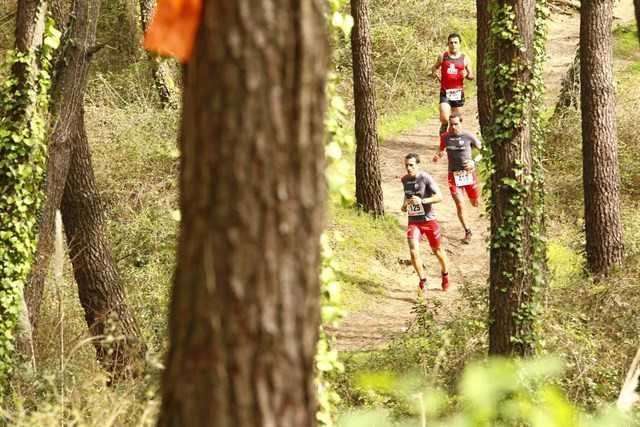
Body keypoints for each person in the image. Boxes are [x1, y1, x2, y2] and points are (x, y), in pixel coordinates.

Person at [401, 153, 450, 296]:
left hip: (429, 221)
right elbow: (407, 194)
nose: (408, 168)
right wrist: (404, 205)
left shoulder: (425, 178)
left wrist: (422, 201)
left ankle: (445, 275)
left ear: (418, 165)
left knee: (437, 251)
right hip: (413, 222)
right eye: (406, 165)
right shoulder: (404, 179)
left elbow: (440, 197)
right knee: (413, 251)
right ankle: (423, 281)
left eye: (411, 165)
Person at [432, 112, 482, 244]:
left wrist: (474, 161)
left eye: (456, 124)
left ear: (461, 123)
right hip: (453, 175)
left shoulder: (468, 136)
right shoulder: (445, 137)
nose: (453, 127)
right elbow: (441, 149)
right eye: (451, 124)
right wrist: (438, 155)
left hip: (468, 174)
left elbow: (484, 151)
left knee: (475, 203)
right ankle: (468, 231)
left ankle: (473, 207)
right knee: (460, 204)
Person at [430, 32, 474, 136]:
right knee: (445, 117)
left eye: (455, 42)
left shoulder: (465, 58)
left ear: (460, 44)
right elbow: (434, 67)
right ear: (448, 44)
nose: (453, 45)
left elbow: (472, 76)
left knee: (455, 120)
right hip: (445, 92)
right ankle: (443, 127)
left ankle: (450, 140)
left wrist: (467, 74)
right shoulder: (443, 57)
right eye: (451, 43)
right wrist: (434, 72)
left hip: (458, 93)